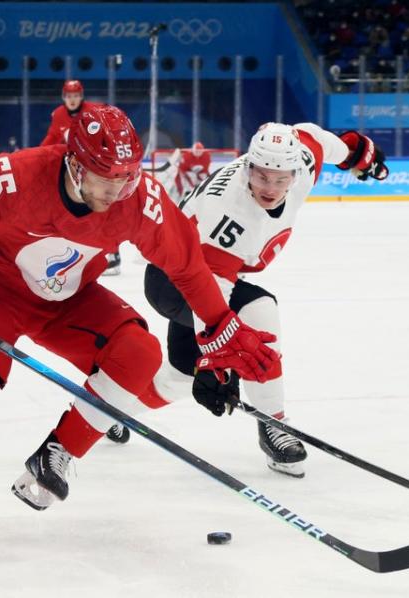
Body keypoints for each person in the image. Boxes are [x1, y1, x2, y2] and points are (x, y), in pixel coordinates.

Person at [0, 104, 279, 551]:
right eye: (105, 179)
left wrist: (221, 324)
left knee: (140, 353)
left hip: (68, 301)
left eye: (126, 177)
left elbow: (187, 264)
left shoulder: (137, 198)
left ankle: (58, 454)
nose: (117, 191)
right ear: (75, 165)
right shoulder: (15, 177)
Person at [103, 123, 389, 477]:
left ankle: (110, 411)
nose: (270, 188)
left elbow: (318, 139)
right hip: (176, 280)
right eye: (262, 176)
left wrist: (358, 155)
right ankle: (274, 423)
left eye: (280, 179)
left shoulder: (302, 160)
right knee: (259, 310)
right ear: (249, 167)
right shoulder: (229, 215)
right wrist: (218, 361)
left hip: (206, 275)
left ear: (297, 172)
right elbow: (208, 299)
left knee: (178, 377)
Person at [40, 80, 120, 275]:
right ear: (63, 98)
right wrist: (36, 156)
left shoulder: (93, 111)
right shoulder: (59, 114)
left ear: (81, 96)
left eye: (76, 96)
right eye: (69, 96)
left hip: (95, 171)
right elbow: (51, 139)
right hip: (73, 172)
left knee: (101, 207)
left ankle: (113, 254)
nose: (72, 100)